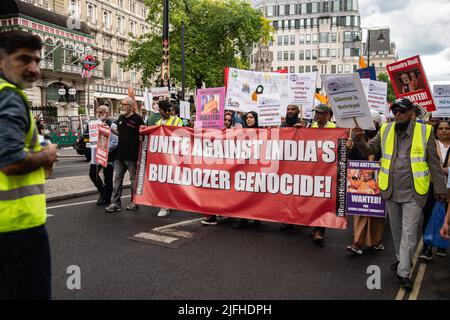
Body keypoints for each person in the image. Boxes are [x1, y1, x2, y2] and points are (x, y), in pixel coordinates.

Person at [353, 98, 447, 290]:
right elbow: (370, 149)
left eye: (402, 111)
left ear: (411, 113)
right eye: (395, 111)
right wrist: (358, 140)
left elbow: (434, 163)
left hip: (415, 192)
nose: (398, 115)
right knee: (397, 232)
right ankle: (402, 259)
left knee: (410, 232)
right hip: (390, 190)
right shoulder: (386, 129)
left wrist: (440, 189)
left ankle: (404, 271)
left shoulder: (425, 131)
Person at [0, 30, 58, 299]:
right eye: (24, 60)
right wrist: (46, 156)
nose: (33, 68)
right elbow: (10, 162)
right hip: (17, 230)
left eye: (36, 60)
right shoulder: (9, 97)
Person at [346, 110, 386, 255]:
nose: (368, 126)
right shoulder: (357, 138)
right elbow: (351, 158)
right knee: (360, 210)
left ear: (377, 124)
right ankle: (357, 242)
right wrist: (349, 148)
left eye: (371, 123)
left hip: (379, 179)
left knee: (376, 211)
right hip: (361, 180)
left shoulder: (383, 137)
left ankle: (376, 241)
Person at [105, 97, 145, 213]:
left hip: (132, 156)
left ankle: (135, 201)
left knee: (133, 180)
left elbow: (143, 134)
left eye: (125, 104)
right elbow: (119, 132)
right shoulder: (121, 118)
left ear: (131, 106)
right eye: (121, 104)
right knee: (117, 179)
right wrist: (109, 130)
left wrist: (141, 138)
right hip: (120, 155)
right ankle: (115, 203)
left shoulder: (138, 119)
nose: (122, 106)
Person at [420, 120, 450, 260]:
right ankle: (427, 247)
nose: (444, 131)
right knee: (428, 215)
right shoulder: (430, 144)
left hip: (449, 186)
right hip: (433, 185)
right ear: (436, 131)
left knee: (446, 216)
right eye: (441, 128)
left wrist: (448, 170)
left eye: (447, 128)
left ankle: (443, 244)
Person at [309, 104, 336, 245]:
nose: (317, 115)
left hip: (327, 170)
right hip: (313, 169)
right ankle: (315, 227)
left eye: (320, 113)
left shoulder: (335, 129)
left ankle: (320, 230)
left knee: (324, 200)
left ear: (327, 114)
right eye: (316, 112)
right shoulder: (311, 126)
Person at [233, 111, 262, 229]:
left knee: (256, 194)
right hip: (244, 167)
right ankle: (243, 218)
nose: (249, 119)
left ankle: (257, 219)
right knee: (244, 193)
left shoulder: (263, 132)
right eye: (247, 117)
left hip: (258, 167)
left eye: (251, 117)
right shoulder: (241, 133)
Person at [155, 100, 183, 217]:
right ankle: (164, 205)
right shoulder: (157, 123)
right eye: (165, 110)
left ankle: (170, 202)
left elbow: (180, 134)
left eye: (169, 110)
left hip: (173, 155)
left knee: (171, 180)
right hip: (161, 156)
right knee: (163, 180)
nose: (167, 112)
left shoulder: (177, 120)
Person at [89, 105, 118, 206]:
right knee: (93, 174)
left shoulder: (112, 125)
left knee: (108, 177)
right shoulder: (94, 124)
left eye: (101, 112)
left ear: (107, 113)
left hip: (108, 155)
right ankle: (102, 192)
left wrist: (104, 148)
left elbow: (115, 142)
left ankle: (107, 198)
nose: (99, 114)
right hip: (95, 155)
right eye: (98, 112)